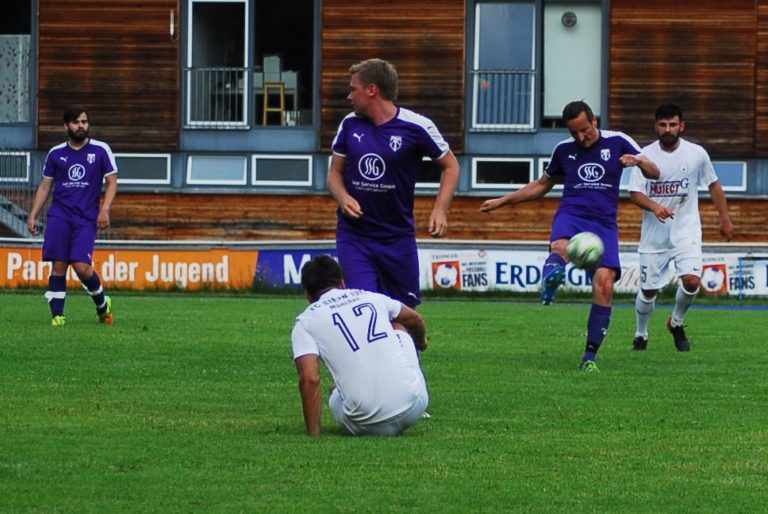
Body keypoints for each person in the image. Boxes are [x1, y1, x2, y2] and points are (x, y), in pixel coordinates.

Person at [479, 100, 660, 372]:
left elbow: (654, 172)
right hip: (572, 214)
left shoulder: (618, 141)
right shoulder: (564, 150)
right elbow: (541, 185)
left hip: (603, 223)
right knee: (560, 248)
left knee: (605, 285)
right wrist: (503, 201)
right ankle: (550, 280)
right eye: (574, 132)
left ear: (594, 121)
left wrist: (639, 161)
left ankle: (589, 357)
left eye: (584, 130)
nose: (580, 137)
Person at [328, 58, 460, 308]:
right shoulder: (349, 124)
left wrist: (440, 209)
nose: (348, 96)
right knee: (364, 308)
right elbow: (334, 174)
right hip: (355, 237)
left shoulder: (417, 126)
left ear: (372, 90)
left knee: (404, 316)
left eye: (353, 88)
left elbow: (451, 166)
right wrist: (343, 197)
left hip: (397, 238)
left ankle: (412, 346)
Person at [629, 104, 733, 352]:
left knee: (691, 281)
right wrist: (655, 207)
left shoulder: (696, 154)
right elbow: (634, 193)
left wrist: (725, 219)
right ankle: (641, 334)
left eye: (673, 124)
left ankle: (676, 322)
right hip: (655, 236)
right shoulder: (644, 155)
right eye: (663, 125)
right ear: (656, 126)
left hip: (687, 231)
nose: (668, 129)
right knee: (649, 290)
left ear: (681, 126)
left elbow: (714, 185)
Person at [291, 255, 429, 436]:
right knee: (398, 326)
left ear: (308, 295)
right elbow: (415, 319)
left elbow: (310, 379)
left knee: (335, 392)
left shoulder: (305, 322)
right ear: (342, 283)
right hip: (414, 407)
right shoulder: (371, 297)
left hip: (365, 424)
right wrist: (421, 343)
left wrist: (313, 435)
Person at [27, 106, 118, 327]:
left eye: (84, 122)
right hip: (60, 215)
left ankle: (102, 305)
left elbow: (112, 181)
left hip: (86, 216)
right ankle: (57, 315)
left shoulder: (100, 150)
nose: (81, 126)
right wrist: (32, 215)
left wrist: (104, 209)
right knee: (58, 265)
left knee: (81, 267)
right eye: (76, 122)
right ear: (66, 126)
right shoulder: (56, 153)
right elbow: (45, 187)